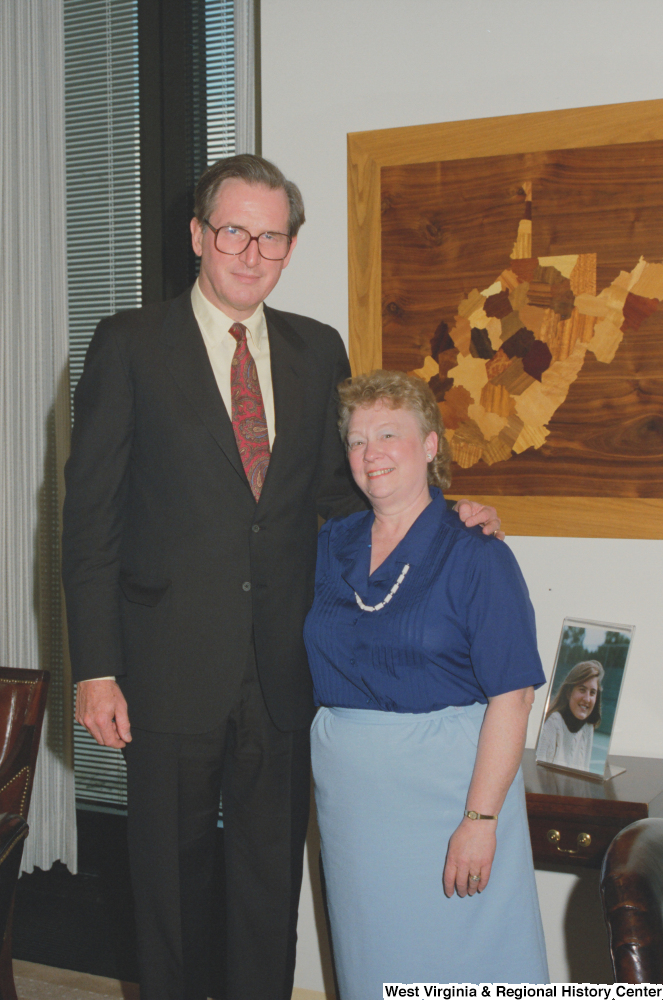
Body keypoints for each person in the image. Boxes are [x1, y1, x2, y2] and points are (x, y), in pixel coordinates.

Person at [61, 155, 501, 1000]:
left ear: (290, 247)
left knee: (270, 887)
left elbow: (344, 500)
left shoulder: (315, 348)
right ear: (198, 236)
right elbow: (91, 521)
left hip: (284, 669)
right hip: (164, 667)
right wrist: (96, 666)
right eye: (234, 231)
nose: (251, 252)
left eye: (272, 236)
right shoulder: (129, 345)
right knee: (168, 890)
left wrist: (445, 512)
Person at [304, 370, 549, 995]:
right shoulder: (330, 543)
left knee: (462, 966)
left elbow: (511, 696)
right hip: (355, 810)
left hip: (448, 799)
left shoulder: (476, 550)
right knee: (373, 964)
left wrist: (480, 818)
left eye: (390, 434)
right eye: (357, 440)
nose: (371, 453)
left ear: (432, 445)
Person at [536, 660, 604, 770]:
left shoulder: (588, 728)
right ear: (568, 692)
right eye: (582, 690)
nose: (587, 699)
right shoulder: (554, 723)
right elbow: (537, 772)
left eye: (592, 693)